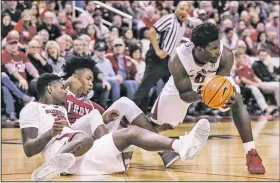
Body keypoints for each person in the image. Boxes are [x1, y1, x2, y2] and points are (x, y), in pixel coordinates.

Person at [20, 73, 210, 181]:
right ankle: (178, 146)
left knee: (105, 127)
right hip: (70, 150)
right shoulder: (32, 108)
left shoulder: (61, 110)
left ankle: (178, 147)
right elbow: (29, 149)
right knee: (117, 135)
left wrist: (103, 119)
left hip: (83, 153)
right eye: (62, 88)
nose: (65, 91)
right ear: (50, 89)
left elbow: (88, 124)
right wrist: (50, 133)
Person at [149, 22, 265, 174]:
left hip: (213, 79)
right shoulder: (178, 60)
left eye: (219, 45)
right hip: (185, 85)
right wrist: (203, 96)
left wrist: (221, 99)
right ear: (199, 48)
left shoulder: (225, 55)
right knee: (155, 124)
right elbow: (185, 94)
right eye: (213, 48)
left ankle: (251, 152)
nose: (218, 51)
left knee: (236, 98)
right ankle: (135, 143)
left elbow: (222, 85)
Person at [133, 2, 189, 113]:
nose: (183, 12)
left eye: (186, 10)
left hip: (168, 61)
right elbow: (151, 32)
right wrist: (158, 50)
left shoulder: (183, 24)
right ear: (176, 8)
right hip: (156, 58)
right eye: (181, 8)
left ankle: (167, 112)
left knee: (175, 86)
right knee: (145, 87)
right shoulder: (169, 19)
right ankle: (127, 113)